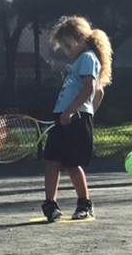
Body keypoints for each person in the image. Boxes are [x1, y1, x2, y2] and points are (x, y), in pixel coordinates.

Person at [41, 15, 112, 222]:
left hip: (73, 117)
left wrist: (73, 112)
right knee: (51, 161)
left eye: (67, 43)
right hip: (63, 116)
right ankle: (50, 204)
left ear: (79, 37)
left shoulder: (88, 57)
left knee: (73, 164)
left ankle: (84, 203)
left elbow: (91, 88)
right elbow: (98, 93)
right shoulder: (79, 61)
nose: (65, 49)